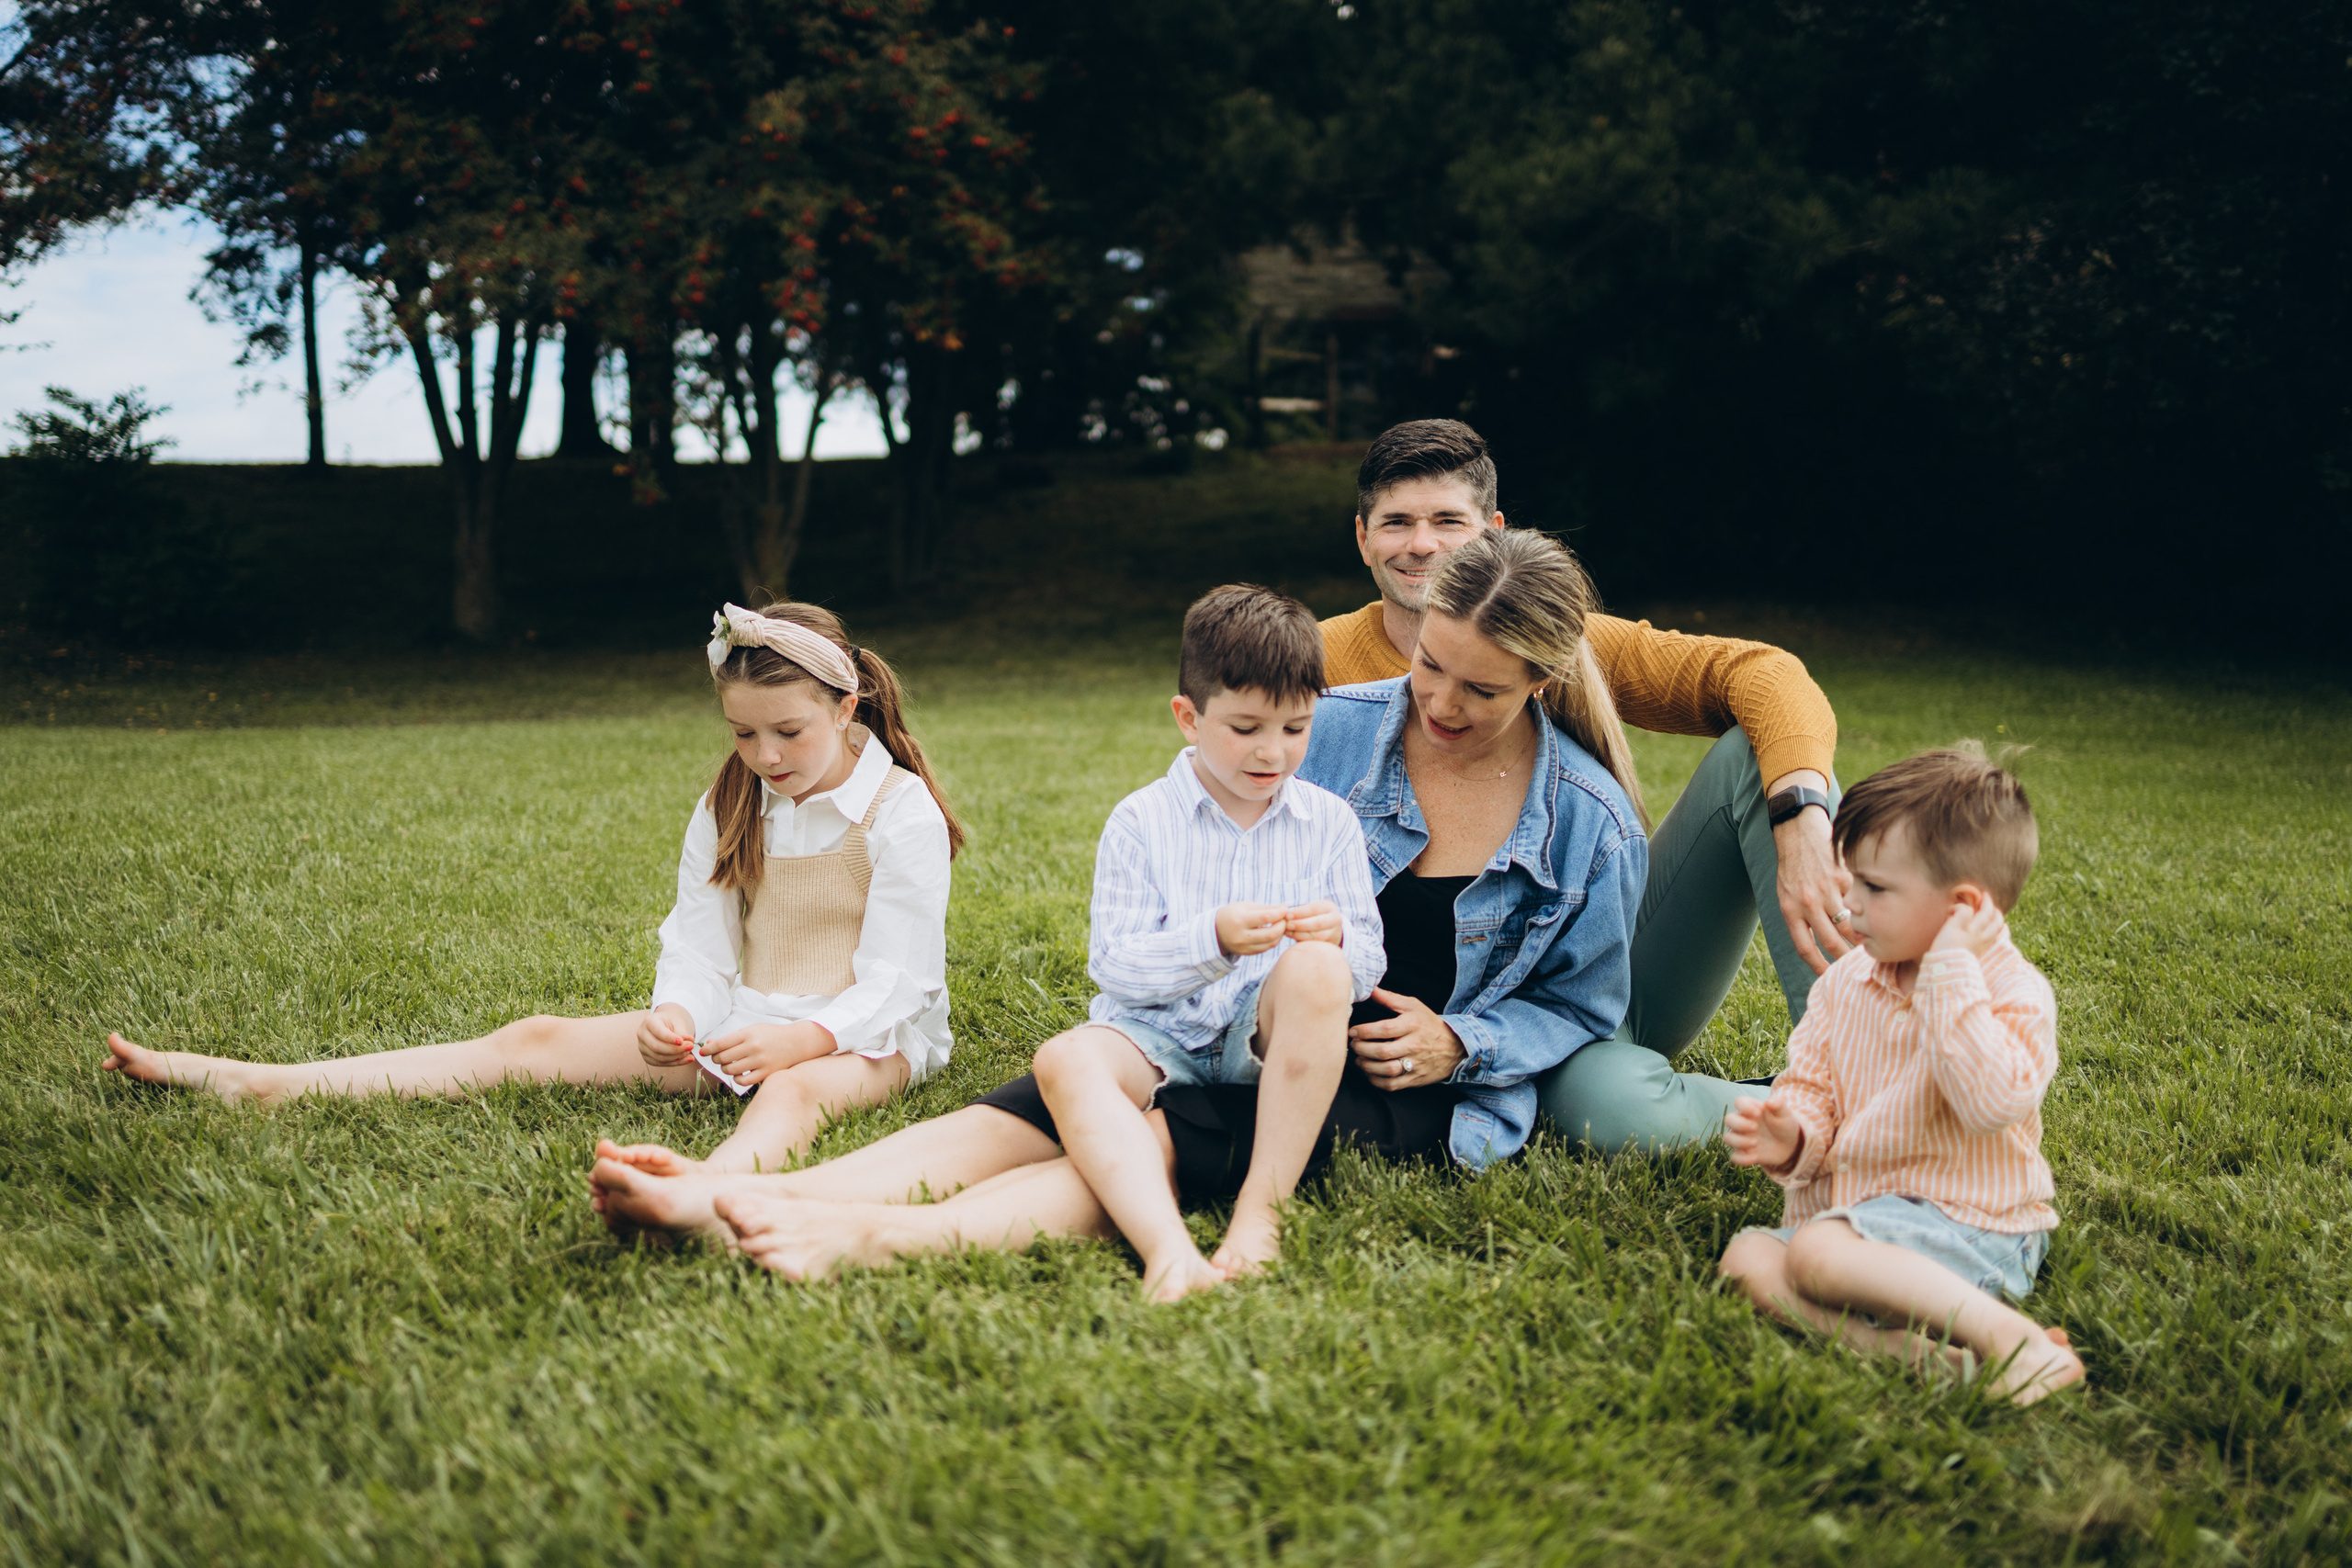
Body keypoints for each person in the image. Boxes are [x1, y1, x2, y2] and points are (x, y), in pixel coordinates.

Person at [590, 529, 1645, 1267]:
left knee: (1151, 1140)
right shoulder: (1334, 719)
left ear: (1540, 687)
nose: (1442, 703)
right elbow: (1211, 807)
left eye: (1482, 689)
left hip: (1382, 1074)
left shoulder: (1589, 822)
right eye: (1431, 667)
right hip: (1217, 1011)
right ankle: (733, 1195)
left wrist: (1462, 1044)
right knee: (1031, 1109)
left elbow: (1584, 1011)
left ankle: (866, 1236)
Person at [100, 601, 962, 1177]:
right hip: (749, 1016)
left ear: (847, 707)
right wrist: (682, 1017)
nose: (765, 755)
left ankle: (711, 1183)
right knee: (533, 1037)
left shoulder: (899, 809)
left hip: (870, 1036)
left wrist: (805, 1039)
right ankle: (267, 1082)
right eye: (743, 732)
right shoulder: (732, 797)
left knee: (794, 1092)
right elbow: (699, 938)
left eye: (789, 732)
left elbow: (901, 978)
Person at [1320, 418, 1849, 1154]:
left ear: (1493, 533)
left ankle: (1863, 1063)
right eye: (1397, 523)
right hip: (1483, 1003)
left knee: (1758, 762)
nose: (1422, 544)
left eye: (1448, 521)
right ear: (1362, 537)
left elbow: (1766, 675)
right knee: (1609, 1109)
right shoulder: (1319, 682)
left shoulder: (1566, 641)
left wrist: (1800, 816)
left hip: (1595, 961)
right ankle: (1807, 1113)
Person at [1032, 584, 1385, 1303]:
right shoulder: (1140, 821)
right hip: (1152, 1032)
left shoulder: (1330, 822)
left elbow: (1369, 959)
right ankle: (1168, 1247)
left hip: (1261, 1043)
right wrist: (1212, 939)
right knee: (1064, 1057)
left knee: (1320, 965)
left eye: (1295, 729)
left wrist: (1339, 937)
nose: (1272, 751)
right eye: (1247, 726)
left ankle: (1261, 1213)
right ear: (1188, 718)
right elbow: (1116, 964)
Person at [1716, 748, 2083, 1404]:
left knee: (1816, 1256)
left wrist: (1949, 975)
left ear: (1963, 907)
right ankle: (1910, 1354)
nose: (1849, 903)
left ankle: (2012, 1339)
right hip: (1860, 1221)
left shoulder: (2013, 993)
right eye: (1850, 878)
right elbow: (1814, 1087)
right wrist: (1794, 1135)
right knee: (1747, 1260)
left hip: (1973, 1223)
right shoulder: (1847, 984)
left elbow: (1991, 1101)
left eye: (1874, 888)